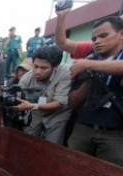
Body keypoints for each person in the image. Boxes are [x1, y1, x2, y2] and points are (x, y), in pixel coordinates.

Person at [67, 16, 123, 166]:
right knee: (72, 170)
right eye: (94, 38)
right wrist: (89, 79)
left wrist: (89, 65)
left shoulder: (86, 62)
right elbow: (73, 100)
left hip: (116, 134)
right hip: (83, 128)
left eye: (103, 35)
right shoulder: (88, 61)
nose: (97, 41)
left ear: (121, 34)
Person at [12, 46, 72, 145]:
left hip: (57, 113)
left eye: (44, 68)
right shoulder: (26, 78)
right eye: (35, 66)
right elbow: (17, 98)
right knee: (27, 140)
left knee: (52, 145)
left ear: (55, 66)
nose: (38, 71)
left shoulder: (65, 73)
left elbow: (59, 103)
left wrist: (32, 105)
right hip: (35, 112)